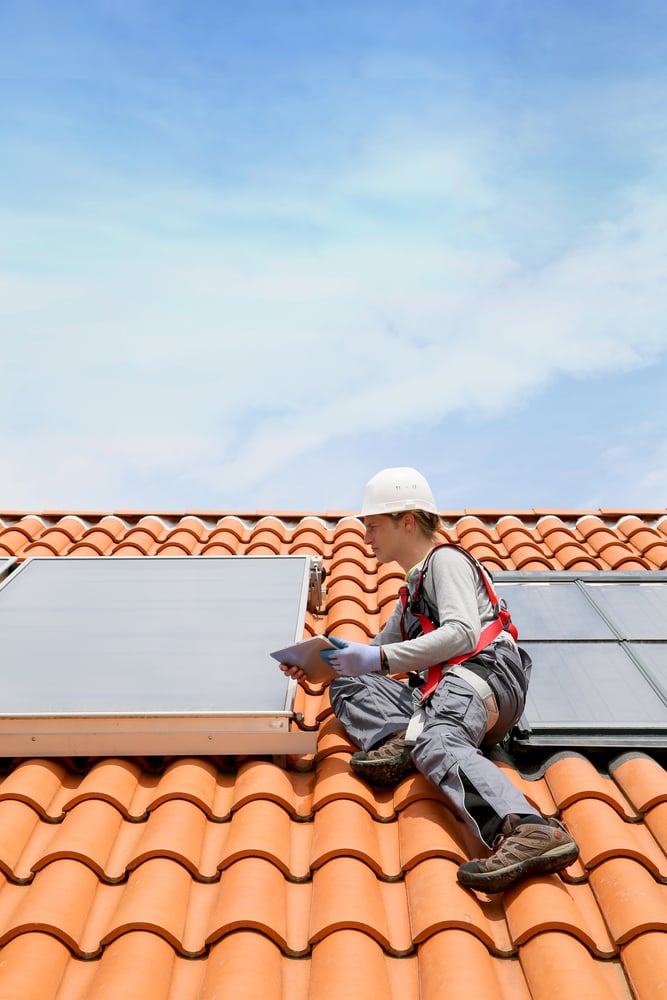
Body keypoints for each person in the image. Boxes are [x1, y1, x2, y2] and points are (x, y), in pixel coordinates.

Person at [285, 467, 579, 893]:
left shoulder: (447, 561)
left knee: (438, 741)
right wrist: (320, 665)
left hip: (483, 676)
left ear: (408, 520)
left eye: (373, 526)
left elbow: (461, 633)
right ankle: (404, 738)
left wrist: (378, 657)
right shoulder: (412, 591)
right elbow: (373, 659)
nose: (365, 537)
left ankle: (527, 827)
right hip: (447, 692)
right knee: (349, 684)